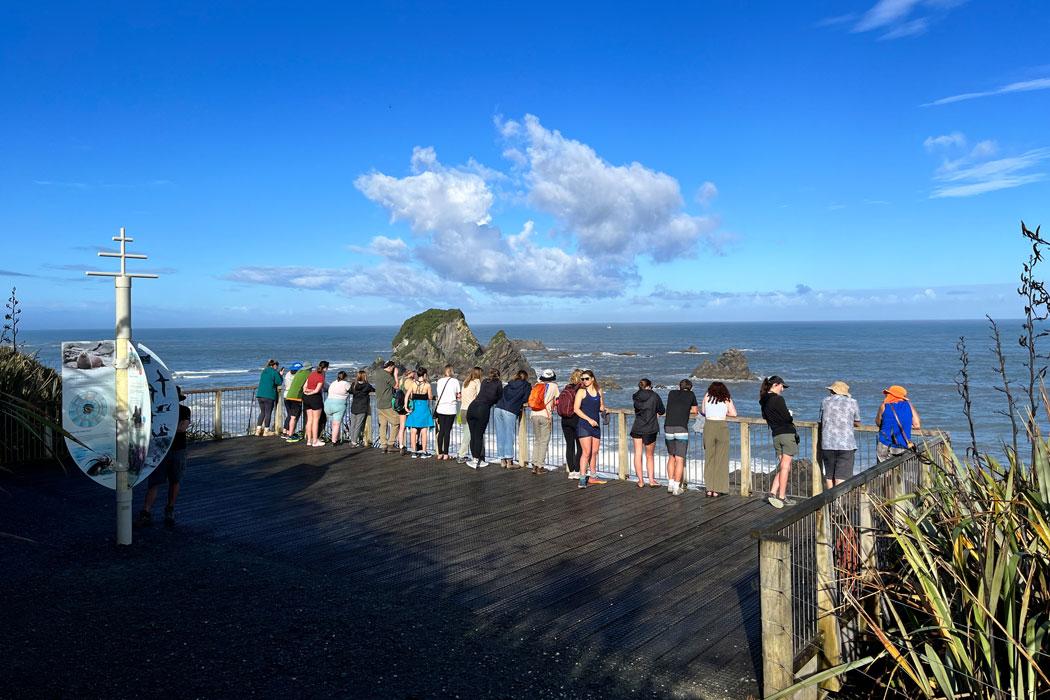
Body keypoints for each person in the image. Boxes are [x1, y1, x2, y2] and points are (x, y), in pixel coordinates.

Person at [136, 386, 191, 527]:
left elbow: (183, 428)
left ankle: (170, 508)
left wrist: (163, 427)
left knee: (175, 480)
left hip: (177, 449)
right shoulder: (158, 409)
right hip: (159, 450)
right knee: (154, 482)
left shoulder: (184, 410)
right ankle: (146, 512)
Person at [760, 375, 798, 509]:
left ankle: (772, 492)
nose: (782, 389)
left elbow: (766, 416)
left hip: (775, 434)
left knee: (783, 466)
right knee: (786, 467)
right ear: (775, 385)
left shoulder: (763, 400)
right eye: (782, 386)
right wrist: (790, 414)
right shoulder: (778, 399)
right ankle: (782, 497)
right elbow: (787, 418)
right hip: (787, 434)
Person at [820, 380, 861, 488]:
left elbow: (821, 419)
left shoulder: (825, 401)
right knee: (841, 476)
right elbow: (857, 422)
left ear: (833, 391)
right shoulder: (852, 402)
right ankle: (838, 503)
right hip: (846, 444)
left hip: (827, 443)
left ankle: (830, 502)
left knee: (829, 475)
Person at [702, 381, 737, 497]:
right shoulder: (726, 399)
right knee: (721, 459)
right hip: (721, 426)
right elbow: (734, 414)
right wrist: (724, 413)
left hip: (709, 426)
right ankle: (717, 489)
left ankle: (709, 488)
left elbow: (703, 411)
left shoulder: (707, 396)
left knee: (709, 458)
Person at [664, 379, 699, 495]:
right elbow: (695, 411)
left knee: (671, 456)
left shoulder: (671, 393)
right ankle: (676, 487)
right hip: (681, 428)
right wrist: (686, 409)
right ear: (691, 388)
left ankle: (670, 484)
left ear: (679, 386)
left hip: (668, 426)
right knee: (680, 458)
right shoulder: (691, 394)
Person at [574, 370, 607, 489]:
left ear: (592, 379)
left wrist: (604, 410)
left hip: (596, 425)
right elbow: (576, 409)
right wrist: (589, 420)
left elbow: (601, 405)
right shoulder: (581, 392)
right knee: (586, 452)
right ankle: (582, 479)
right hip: (584, 425)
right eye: (582, 379)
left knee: (595, 452)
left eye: (586, 378)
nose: (584, 381)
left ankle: (593, 476)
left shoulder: (599, 390)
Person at [630, 378, 665, 488]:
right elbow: (662, 410)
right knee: (649, 455)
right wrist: (657, 413)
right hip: (650, 427)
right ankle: (651, 480)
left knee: (638, 454)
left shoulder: (635, 396)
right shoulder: (654, 396)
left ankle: (640, 481)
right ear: (649, 386)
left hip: (637, 427)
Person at [493, 369, 531, 468]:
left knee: (500, 434)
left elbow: (501, 395)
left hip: (498, 408)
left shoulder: (509, 384)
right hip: (510, 410)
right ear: (525, 377)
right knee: (509, 435)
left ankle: (502, 460)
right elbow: (526, 399)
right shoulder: (526, 386)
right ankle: (509, 461)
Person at [467, 367, 502, 468]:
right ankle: (476, 460)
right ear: (498, 376)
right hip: (483, 409)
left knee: (473, 435)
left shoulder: (484, 381)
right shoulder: (498, 383)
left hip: (472, 407)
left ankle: (474, 458)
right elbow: (499, 397)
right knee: (478, 435)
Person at [875, 384, 920, 463]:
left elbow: (878, 422)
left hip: (885, 443)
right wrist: (906, 425)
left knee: (883, 471)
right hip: (902, 444)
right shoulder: (908, 405)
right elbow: (917, 425)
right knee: (901, 470)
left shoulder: (884, 405)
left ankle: (885, 476)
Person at [527, 369, 559, 475]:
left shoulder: (537, 385)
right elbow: (558, 400)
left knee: (537, 440)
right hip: (545, 415)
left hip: (534, 414)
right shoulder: (554, 386)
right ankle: (540, 466)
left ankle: (534, 465)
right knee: (544, 442)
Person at [404, 367, 435, 458]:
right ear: (424, 374)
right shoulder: (427, 385)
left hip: (414, 408)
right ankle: (424, 452)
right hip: (424, 409)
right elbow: (429, 397)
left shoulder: (413, 384)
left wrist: (406, 407)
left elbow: (407, 396)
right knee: (424, 430)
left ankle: (414, 451)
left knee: (413, 430)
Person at [559, 369, 584, 479]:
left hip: (564, 420)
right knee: (580, 446)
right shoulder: (581, 390)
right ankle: (578, 470)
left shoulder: (566, 388)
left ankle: (571, 471)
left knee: (569, 446)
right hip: (576, 419)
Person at [434, 364, 461, 461]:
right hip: (451, 409)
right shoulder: (455, 381)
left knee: (441, 431)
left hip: (441, 408)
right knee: (447, 431)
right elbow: (458, 395)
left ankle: (439, 453)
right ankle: (446, 454)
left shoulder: (440, 381)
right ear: (451, 371)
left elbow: (438, 393)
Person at [456, 366, 482, 464]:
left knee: (467, 433)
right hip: (470, 410)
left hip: (462, 409)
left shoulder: (465, 382)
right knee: (469, 434)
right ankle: (461, 455)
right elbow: (479, 396)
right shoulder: (477, 382)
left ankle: (466, 454)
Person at [302, 361, 329, 448]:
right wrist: (311, 392)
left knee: (309, 420)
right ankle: (315, 441)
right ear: (325, 368)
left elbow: (304, 387)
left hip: (305, 398)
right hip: (315, 398)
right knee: (315, 420)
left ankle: (309, 440)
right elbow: (317, 390)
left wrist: (307, 392)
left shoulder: (311, 374)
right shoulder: (321, 377)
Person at [254, 359, 284, 436]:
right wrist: (280, 375)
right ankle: (266, 431)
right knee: (268, 413)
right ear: (274, 365)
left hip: (260, 395)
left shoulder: (264, 371)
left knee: (262, 412)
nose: (277, 368)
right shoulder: (274, 372)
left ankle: (258, 430)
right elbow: (279, 382)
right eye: (277, 366)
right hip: (269, 395)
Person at [374, 360, 398, 453]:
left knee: (383, 425)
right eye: (393, 368)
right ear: (391, 367)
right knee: (397, 422)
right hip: (387, 403)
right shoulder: (388, 376)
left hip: (379, 403)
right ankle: (391, 444)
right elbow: (396, 386)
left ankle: (383, 445)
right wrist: (395, 375)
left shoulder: (378, 373)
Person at [283, 362, 310, 442]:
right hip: (295, 397)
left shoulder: (288, 374)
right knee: (293, 417)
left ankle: (286, 432)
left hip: (287, 396)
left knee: (290, 415)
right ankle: (290, 435)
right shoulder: (300, 375)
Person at [324, 370, 352, 444]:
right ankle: (334, 441)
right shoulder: (345, 383)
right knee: (336, 424)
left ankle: (336, 437)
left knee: (333, 423)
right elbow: (352, 390)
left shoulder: (333, 383)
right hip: (338, 404)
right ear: (345, 377)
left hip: (327, 404)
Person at [348, 370, 374, 447]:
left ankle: (352, 439)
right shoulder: (367, 385)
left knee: (353, 424)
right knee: (358, 425)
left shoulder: (354, 384)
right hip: (362, 407)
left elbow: (350, 391)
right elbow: (373, 390)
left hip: (354, 406)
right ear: (364, 376)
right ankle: (354, 442)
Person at [396, 366, 414, 455]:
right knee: (413, 426)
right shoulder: (410, 382)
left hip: (400, 405)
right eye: (413, 373)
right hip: (408, 405)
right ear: (410, 374)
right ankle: (414, 446)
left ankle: (401, 445)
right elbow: (412, 394)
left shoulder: (401, 380)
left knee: (402, 427)